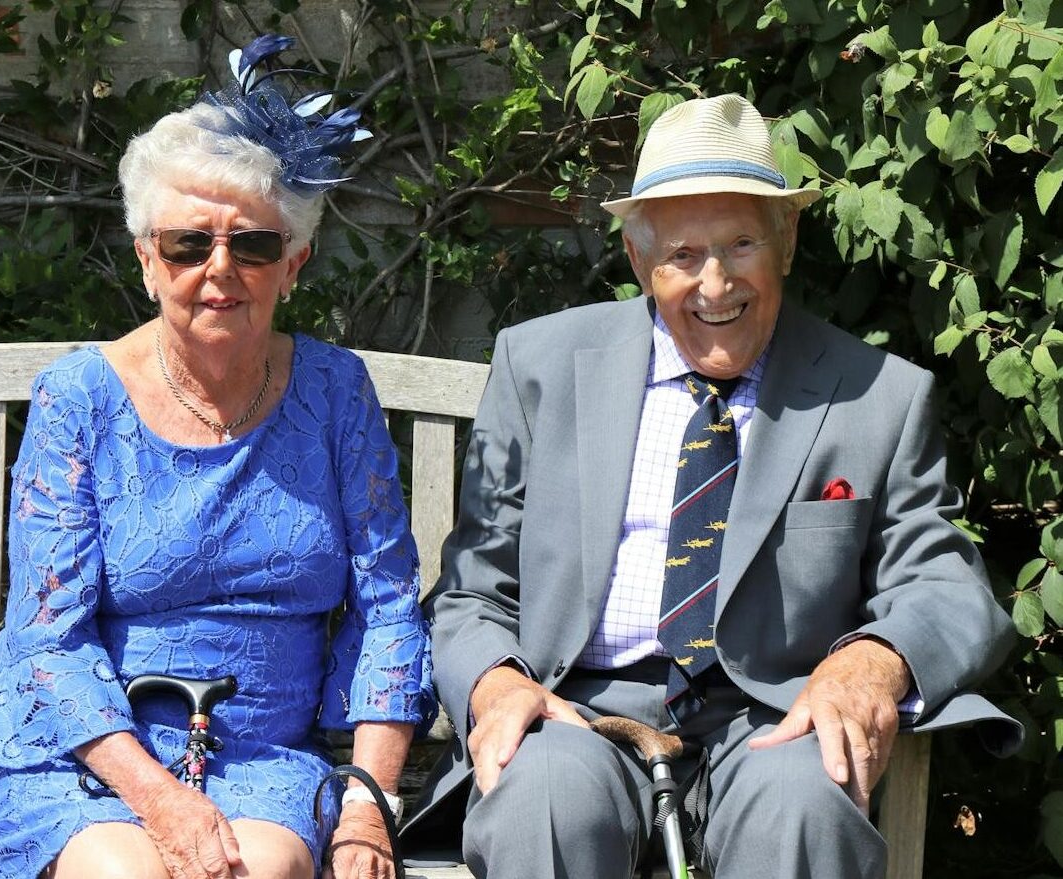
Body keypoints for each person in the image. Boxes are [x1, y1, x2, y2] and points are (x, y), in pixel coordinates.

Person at [402, 94, 1021, 879]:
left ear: (786, 240)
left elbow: (944, 584)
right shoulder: (541, 367)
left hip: (774, 721)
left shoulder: (877, 396)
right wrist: (494, 682)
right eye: (685, 254)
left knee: (804, 802)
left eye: (740, 244)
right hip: (579, 712)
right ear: (639, 261)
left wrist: (874, 661)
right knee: (542, 796)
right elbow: (471, 590)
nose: (716, 282)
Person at [0, 34, 433, 879]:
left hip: (262, 759)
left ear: (293, 263)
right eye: (187, 244)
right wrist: (162, 799)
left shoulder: (334, 391)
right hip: (81, 754)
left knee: (259, 871)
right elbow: (49, 640)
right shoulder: (80, 399)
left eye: (252, 245)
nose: (220, 269)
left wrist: (367, 802)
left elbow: (387, 605)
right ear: (147, 259)